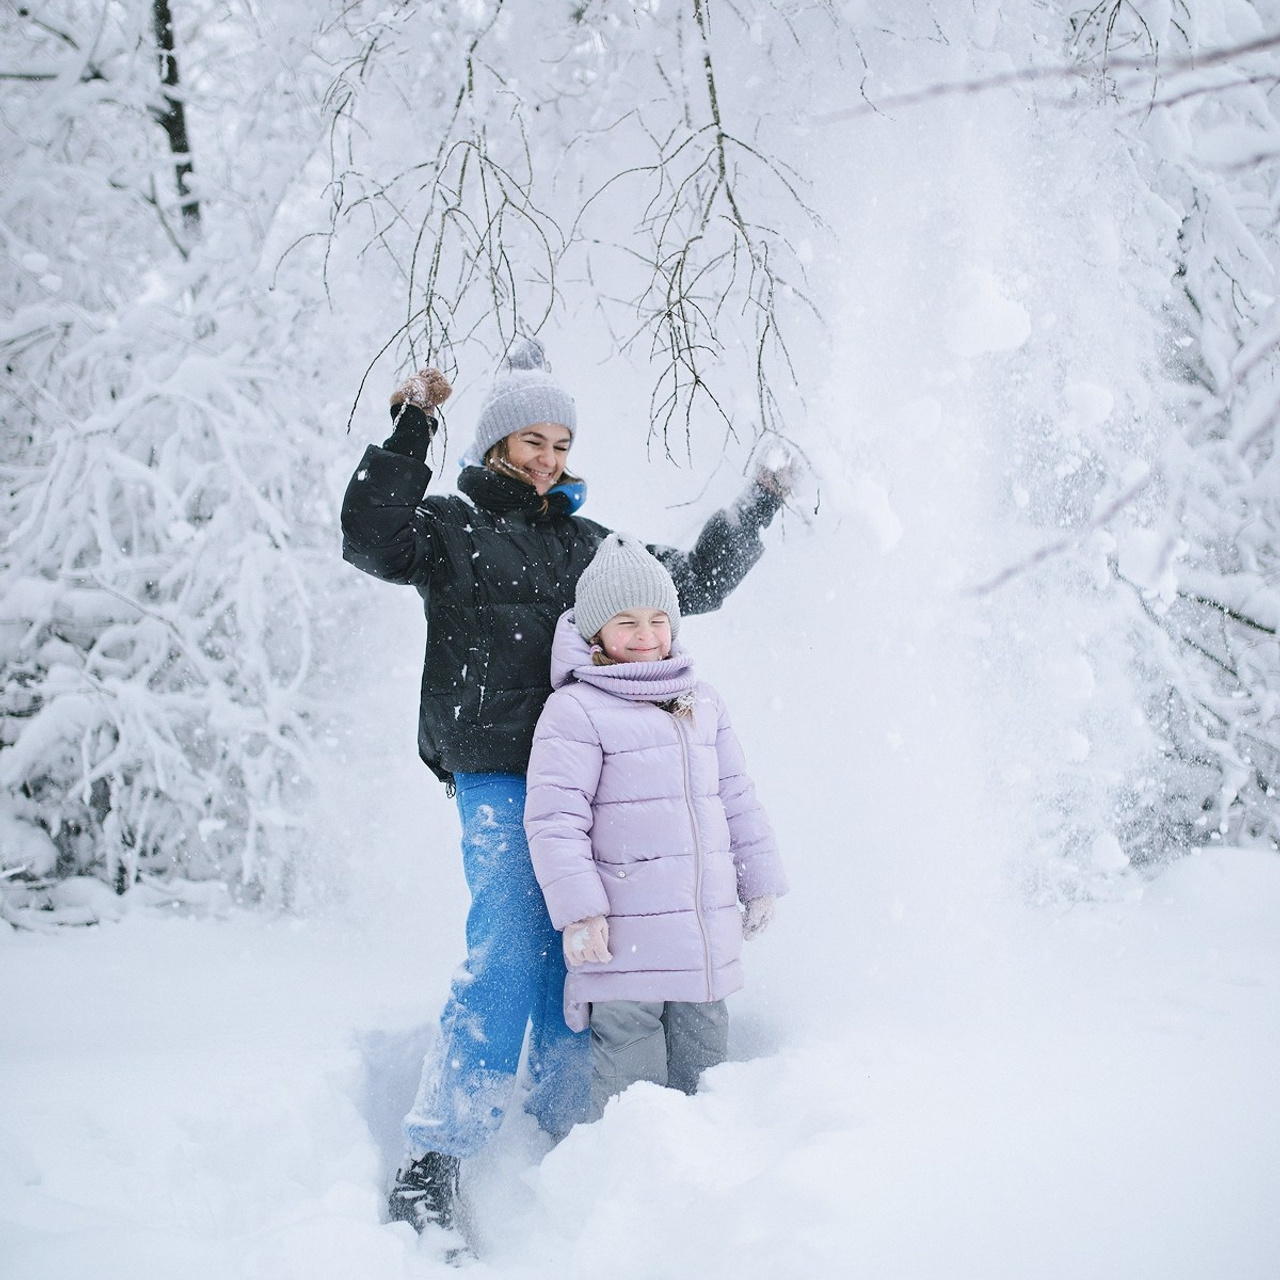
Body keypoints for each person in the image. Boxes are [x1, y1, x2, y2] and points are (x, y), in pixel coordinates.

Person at [340, 338, 792, 1233]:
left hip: (592, 783)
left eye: (560, 444)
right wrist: (411, 427)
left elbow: (689, 582)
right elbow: (370, 536)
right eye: (531, 442)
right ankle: (437, 1156)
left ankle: (567, 1135)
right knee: (511, 949)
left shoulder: (588, 548)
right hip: (499, 772)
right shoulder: (451, 529)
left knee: (582, 962)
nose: (548, 460)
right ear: (497, 444)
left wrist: (762, 503)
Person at [523, 535, 788, 1119]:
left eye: (658, 620)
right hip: (624, 943)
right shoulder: (576, 709)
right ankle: (628, 1170)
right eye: (627, 622)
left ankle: (716, 1168)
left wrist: (760, 882)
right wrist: (580, 912)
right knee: (631, 1088)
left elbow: (736, 797)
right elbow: (555, 820)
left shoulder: (703, 703)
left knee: (710, 1080)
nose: (646, 635)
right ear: (596, 633)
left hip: (703, 937)